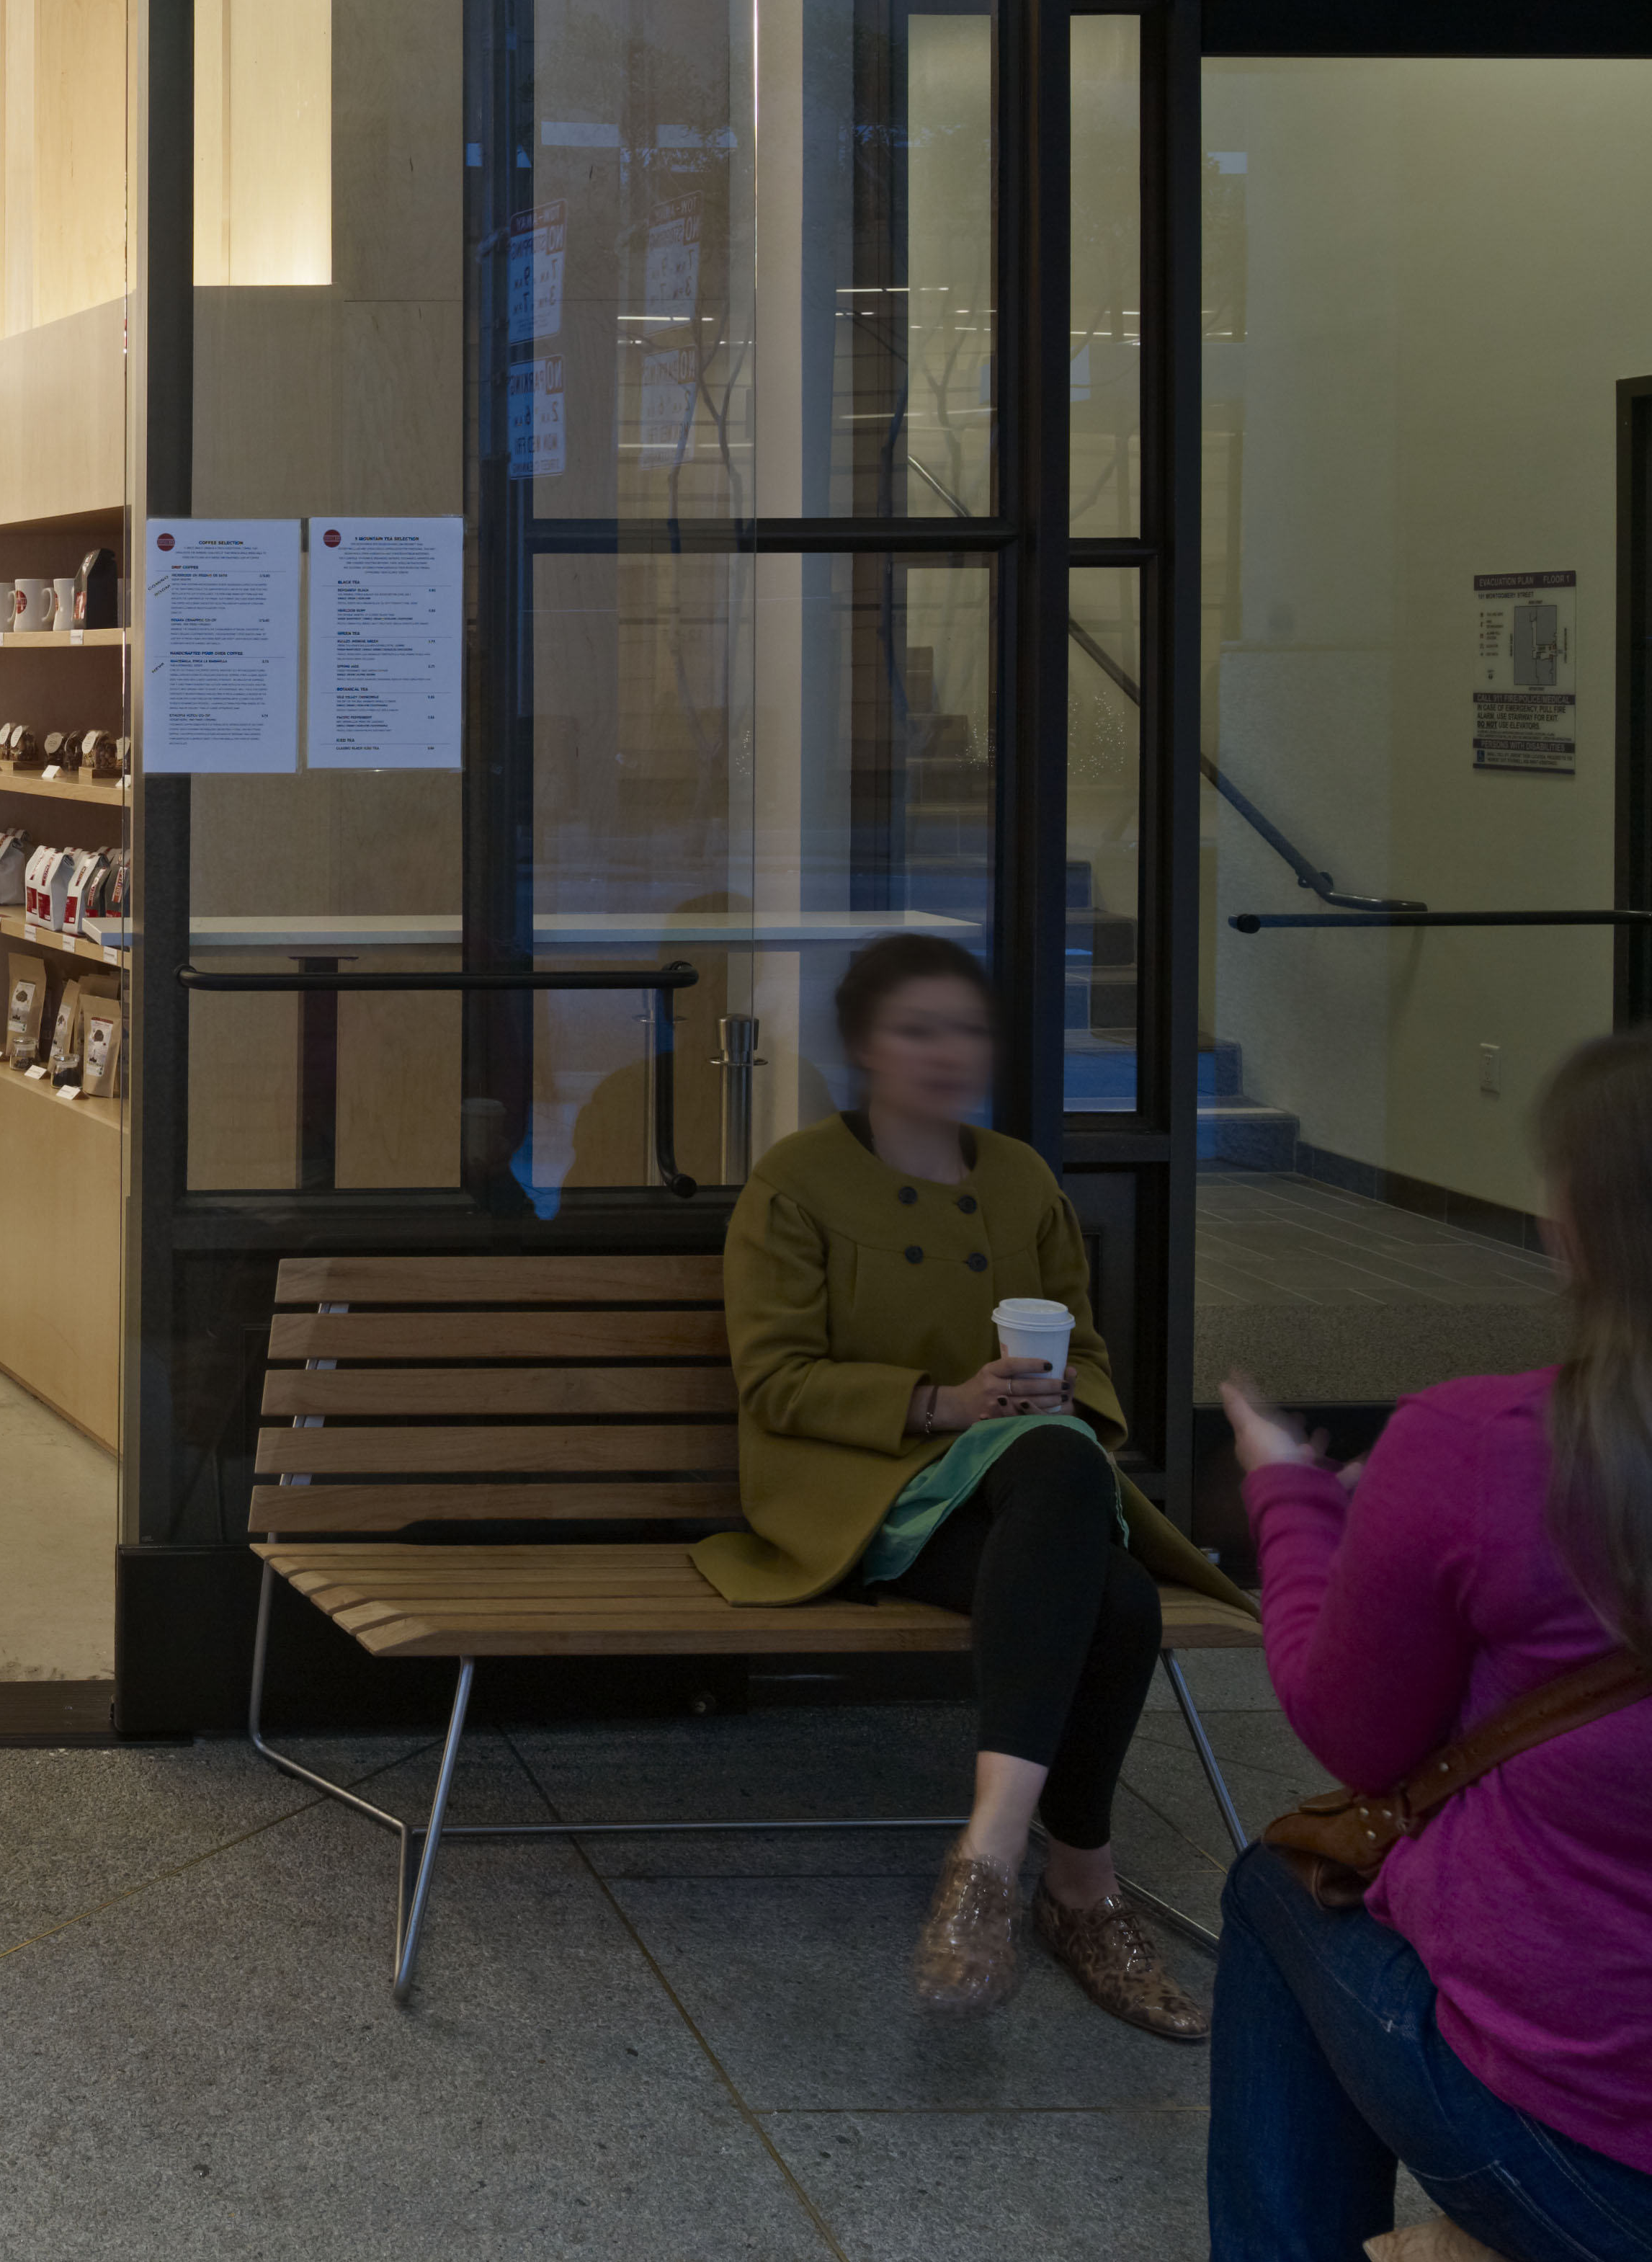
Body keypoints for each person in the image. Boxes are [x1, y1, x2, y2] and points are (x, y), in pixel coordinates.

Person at [700, 932, 1249, 2033]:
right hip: (863, 1496)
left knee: (1105, 1559)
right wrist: (944, 1405)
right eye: (917, 1028)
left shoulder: (1020, 1180)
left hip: (1010, 1493)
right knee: (1106, 1576)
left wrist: (1056, 1396)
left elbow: (1085, 1352)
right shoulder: (799, 1181)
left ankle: (1005, 1860)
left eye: (967, 1029)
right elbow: (775, 1380)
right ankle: (1066, 1881)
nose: (946, 1052)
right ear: (864, 1047)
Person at [1212, 1028, 1652, 2262]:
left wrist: (1292, 1498)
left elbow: (1352, 1731)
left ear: (1571, 1222)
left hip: (1598, 2150)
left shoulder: (1483, 1446)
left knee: (1274, 1891)